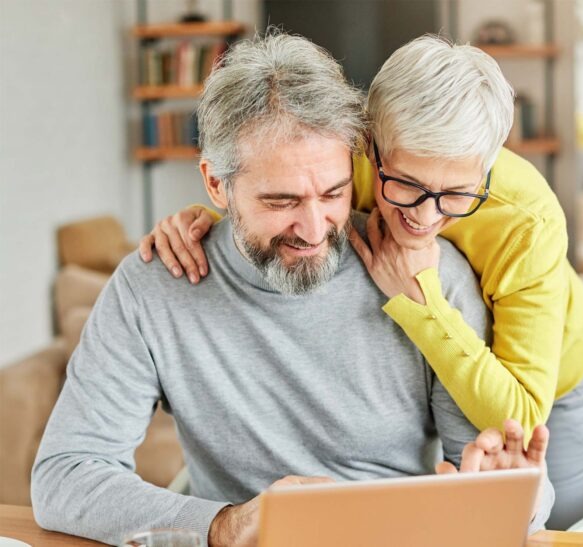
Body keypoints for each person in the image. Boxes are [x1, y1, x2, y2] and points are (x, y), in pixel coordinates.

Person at [31, 32, 553, 547]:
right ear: (216, 185)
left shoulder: (429, 283)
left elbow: (504, 486)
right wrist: (224, 525)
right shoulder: (152, 288)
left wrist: (514, 493)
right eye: (281, 201)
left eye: (333, 192)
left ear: (357, 165)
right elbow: (64, 475)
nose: (313, 227)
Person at [142, 35, 583, 529]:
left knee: (558, 526)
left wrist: (419, 300)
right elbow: (282, 192)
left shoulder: (529, 221)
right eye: (407, 185)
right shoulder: (350, 163)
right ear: (369, 147)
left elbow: (518, 415)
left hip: (554, 386)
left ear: (487, 166)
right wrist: (213, 220)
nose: (425, 217)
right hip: (460, 364)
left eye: (456, 194)